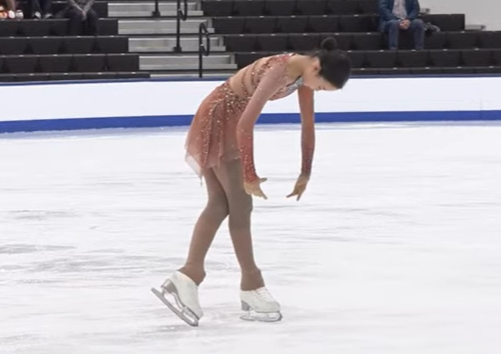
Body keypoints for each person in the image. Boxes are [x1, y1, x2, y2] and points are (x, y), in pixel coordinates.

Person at [151, 37, 352, 326]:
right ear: (317, 67)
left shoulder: (303, 76)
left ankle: (189, 275)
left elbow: (307, 125)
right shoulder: (280, 70)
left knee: (221, 204)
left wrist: (305, 171)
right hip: (220, 117)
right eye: (320, 86)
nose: (316, 90)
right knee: (240, 204)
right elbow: (246, 123)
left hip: (226, 117)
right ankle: (250, 284)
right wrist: (249, 174)